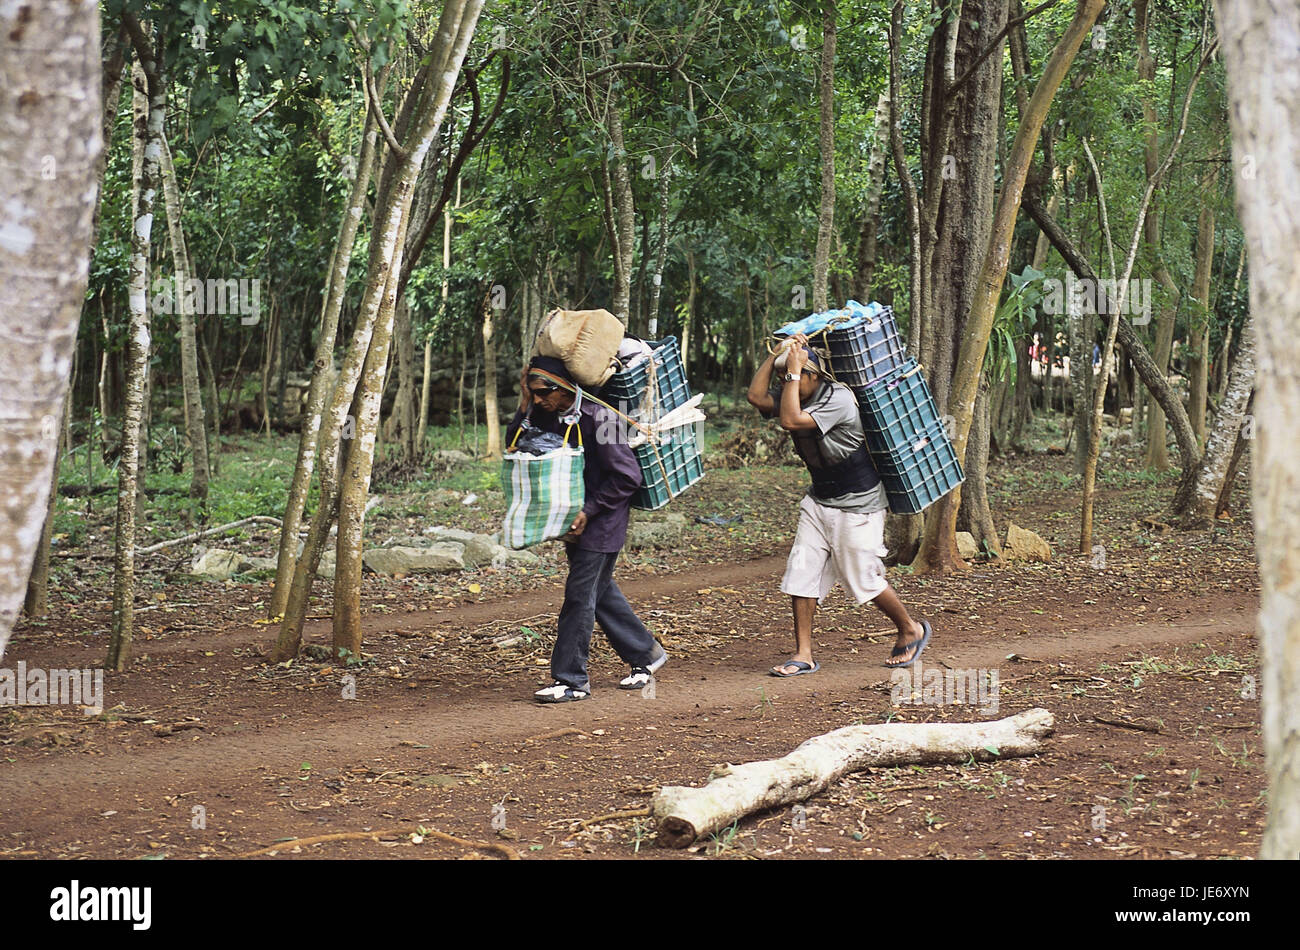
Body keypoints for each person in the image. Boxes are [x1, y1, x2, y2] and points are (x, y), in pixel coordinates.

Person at [746, 333, 931, 674]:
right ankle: (803, 654)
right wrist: (777, 358)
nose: (789, 380)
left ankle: (910, 628)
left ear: (814, 376)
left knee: (862, 578)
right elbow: (756, 397)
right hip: (819, 501)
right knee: (801, 572)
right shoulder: (796, 391)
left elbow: (790, 420)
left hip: (858, 505)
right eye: (787, 376)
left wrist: (792, 372)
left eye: (798, 375)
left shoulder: (839, 399)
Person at [506, 355, 668, 703]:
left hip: (602, 524)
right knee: (600, 592)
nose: (538, 400)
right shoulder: (547, 414)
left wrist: (589, 510)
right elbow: (517, 441)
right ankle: (646, 654)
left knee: (580, 597)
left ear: (563, 388)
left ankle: (571, 680)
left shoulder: (601, 417)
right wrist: (524, 402)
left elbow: (628, 476)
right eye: (532, 394)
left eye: (542, 392)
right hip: (575, 523)